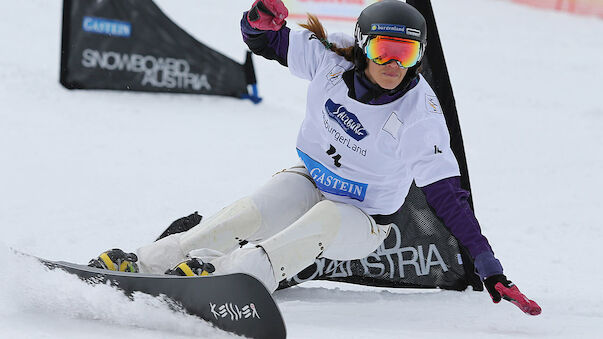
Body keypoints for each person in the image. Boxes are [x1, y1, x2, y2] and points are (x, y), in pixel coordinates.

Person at [89, 0, 540, 314]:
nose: (393, 65)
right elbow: (265, 42)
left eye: (407, 54)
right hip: (311, 179)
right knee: (245, 215)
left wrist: (488, 265)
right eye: (384, 49)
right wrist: (258, 20)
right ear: (363, 45)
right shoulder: (333, 57)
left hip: (364, 220)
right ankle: (146, 263)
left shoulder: (419, 114)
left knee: (319, 225)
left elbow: (448, 197)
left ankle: (225, 276)